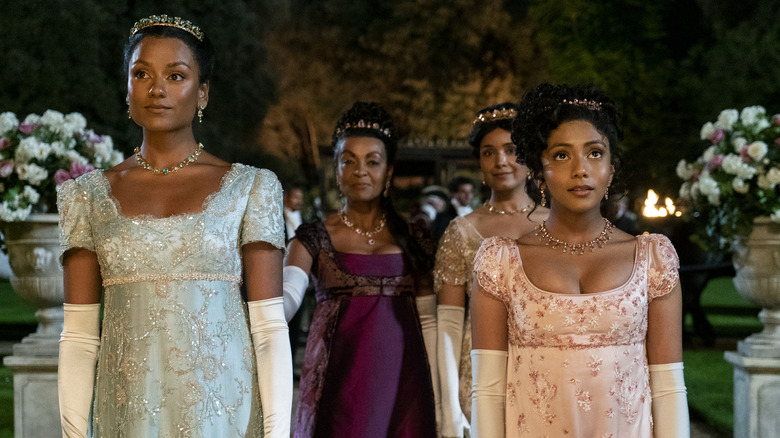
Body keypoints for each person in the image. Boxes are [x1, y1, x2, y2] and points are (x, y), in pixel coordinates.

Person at [56, 15, 292, 437]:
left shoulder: (251, 188)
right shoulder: (86, 197)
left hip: (226, 420)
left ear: (202, 92)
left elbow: (270, 328)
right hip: (128, 420)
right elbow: (78, 338)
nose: (157, 89)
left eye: (176, 75)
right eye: (141, 73)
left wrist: (277, 433)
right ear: (127, 89)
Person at [470, 84, 689, 437]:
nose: (580, 170)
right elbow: (488, 392)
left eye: (594, 153)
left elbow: (668, 389)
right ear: (539, 173)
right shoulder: (501, 264)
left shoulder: (653, 261)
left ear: (611, 169)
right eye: (561, 155)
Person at [282, 101, 437, 437]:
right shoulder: (313, 237)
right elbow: (287, 299)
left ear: (389, 171)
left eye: (373, 162)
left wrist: (443, 396)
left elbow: (431, 321)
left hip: (406, 384)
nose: (360, 171)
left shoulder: (416, 238)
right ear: (336, 170)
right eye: (348, 161)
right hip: (340, 387)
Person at [434, 103, 548, 437]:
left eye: (511, 150)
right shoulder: (462, 231)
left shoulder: (558, 224)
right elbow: (449, 326)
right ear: (480, 164)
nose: (500, 161)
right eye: (489, 152)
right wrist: (449, 407)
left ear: (529, 157)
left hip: (545, 369)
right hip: (480, 374)